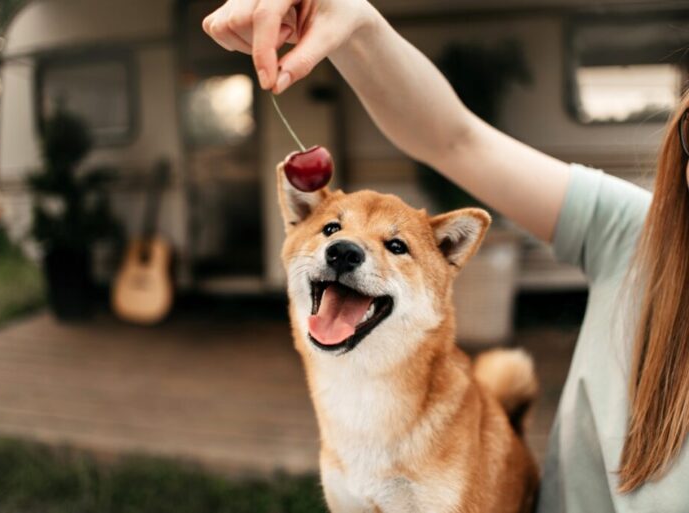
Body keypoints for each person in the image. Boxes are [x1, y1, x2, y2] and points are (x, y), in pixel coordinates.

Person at [202, 1, 689, 511]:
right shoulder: (639, 236)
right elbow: (455, 139)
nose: (345, 247)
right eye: (331, 231)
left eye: (395, 246)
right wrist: (350, 18)